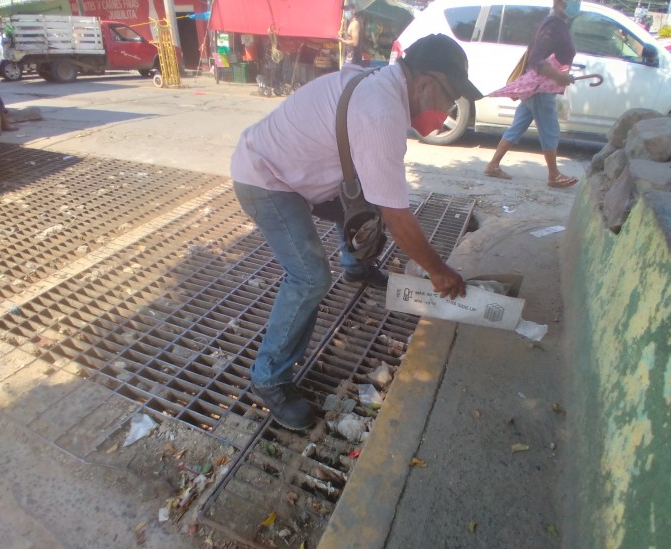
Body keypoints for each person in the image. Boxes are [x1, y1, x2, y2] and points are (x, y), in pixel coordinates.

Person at [231, 34, 480, 430]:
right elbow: (399, 219)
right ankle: (269, 379)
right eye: (449, 98)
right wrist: (439, 270)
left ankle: (356, 266)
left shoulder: (384, 83)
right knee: (310, 277)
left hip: (302, 171)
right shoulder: (381, 113)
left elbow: (385, 200)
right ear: (425, 83)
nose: (448, 110)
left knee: (374, 201)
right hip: (267, 178)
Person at [484, 0, 579, 188]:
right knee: (550, 130)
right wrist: (559, 76)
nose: (577, 5)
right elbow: (537, 60)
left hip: (538, 88)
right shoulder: (553, 27)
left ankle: (493, 165)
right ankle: (553, 175)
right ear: (559, 3)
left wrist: (561, 76)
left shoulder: (555, 24)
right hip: (541, 89)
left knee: (517, 126)